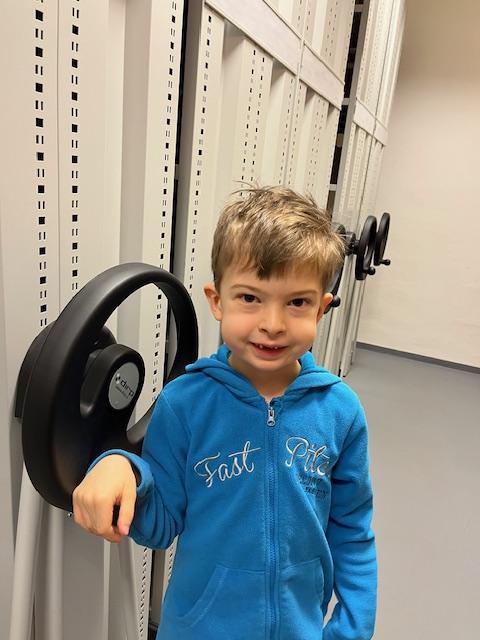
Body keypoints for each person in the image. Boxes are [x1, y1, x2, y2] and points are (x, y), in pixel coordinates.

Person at [73, 185, 377, 640]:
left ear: (322, 308)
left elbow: (352, 532)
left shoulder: (340, 411)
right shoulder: (185, 404)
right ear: (217, 300)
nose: (272, 324)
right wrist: (123, 468)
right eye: (250, 298)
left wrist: (351, 630)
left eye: (297, 302)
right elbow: (160, 526)